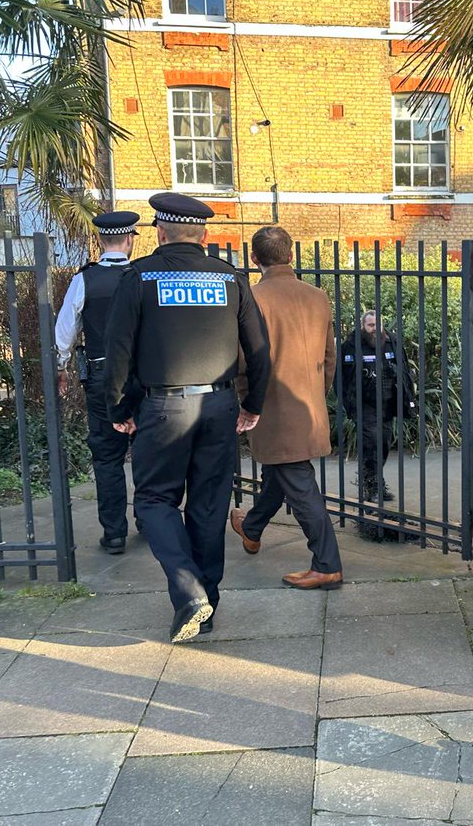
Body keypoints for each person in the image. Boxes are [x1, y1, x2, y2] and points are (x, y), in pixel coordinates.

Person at [105, 193, 271, 642]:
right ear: (205, 235)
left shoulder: (139, 276)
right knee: (209, 505)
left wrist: (118, 409)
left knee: (154, 501)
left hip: (163, 408)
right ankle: (206, 605)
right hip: (219, 406)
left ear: (160, 233)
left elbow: (117, 352)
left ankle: (189, 593)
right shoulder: (230, 278)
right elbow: (259, 350)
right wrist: (253, 404)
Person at [228, 226, 344, 590]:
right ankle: (252, 527)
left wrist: (247, 402)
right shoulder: (317, 296)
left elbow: (244, 360)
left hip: (271, 407)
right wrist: (317, 393)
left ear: (254, 258)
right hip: (308, 405)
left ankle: (327, 565)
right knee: (280, 472)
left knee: (299, 483)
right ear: (291, 256)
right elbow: (329, 356)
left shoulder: (251, 297)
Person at [54, 211, 140, 555]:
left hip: (103, 374)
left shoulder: (84, 279)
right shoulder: (142, 275)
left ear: (101, 241)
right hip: (144, 375)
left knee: (107, 456)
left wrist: (61, 366)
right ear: (130, 240)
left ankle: (115, 533)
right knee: (148, 450)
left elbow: (65, 331)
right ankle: (151, 519)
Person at [338, 310, 416, 503]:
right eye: (370, 325)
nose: (375, 329)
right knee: (371, 443)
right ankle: (372, 487)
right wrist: (349, 404)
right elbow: (340, 378)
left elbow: (404, 371)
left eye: (377, 325)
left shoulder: (392, 342)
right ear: (363, 326)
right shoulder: (351, 345)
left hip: (388, 404)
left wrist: (407, 398)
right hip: (365, 405)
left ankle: (375, 482)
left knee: (383, 444)